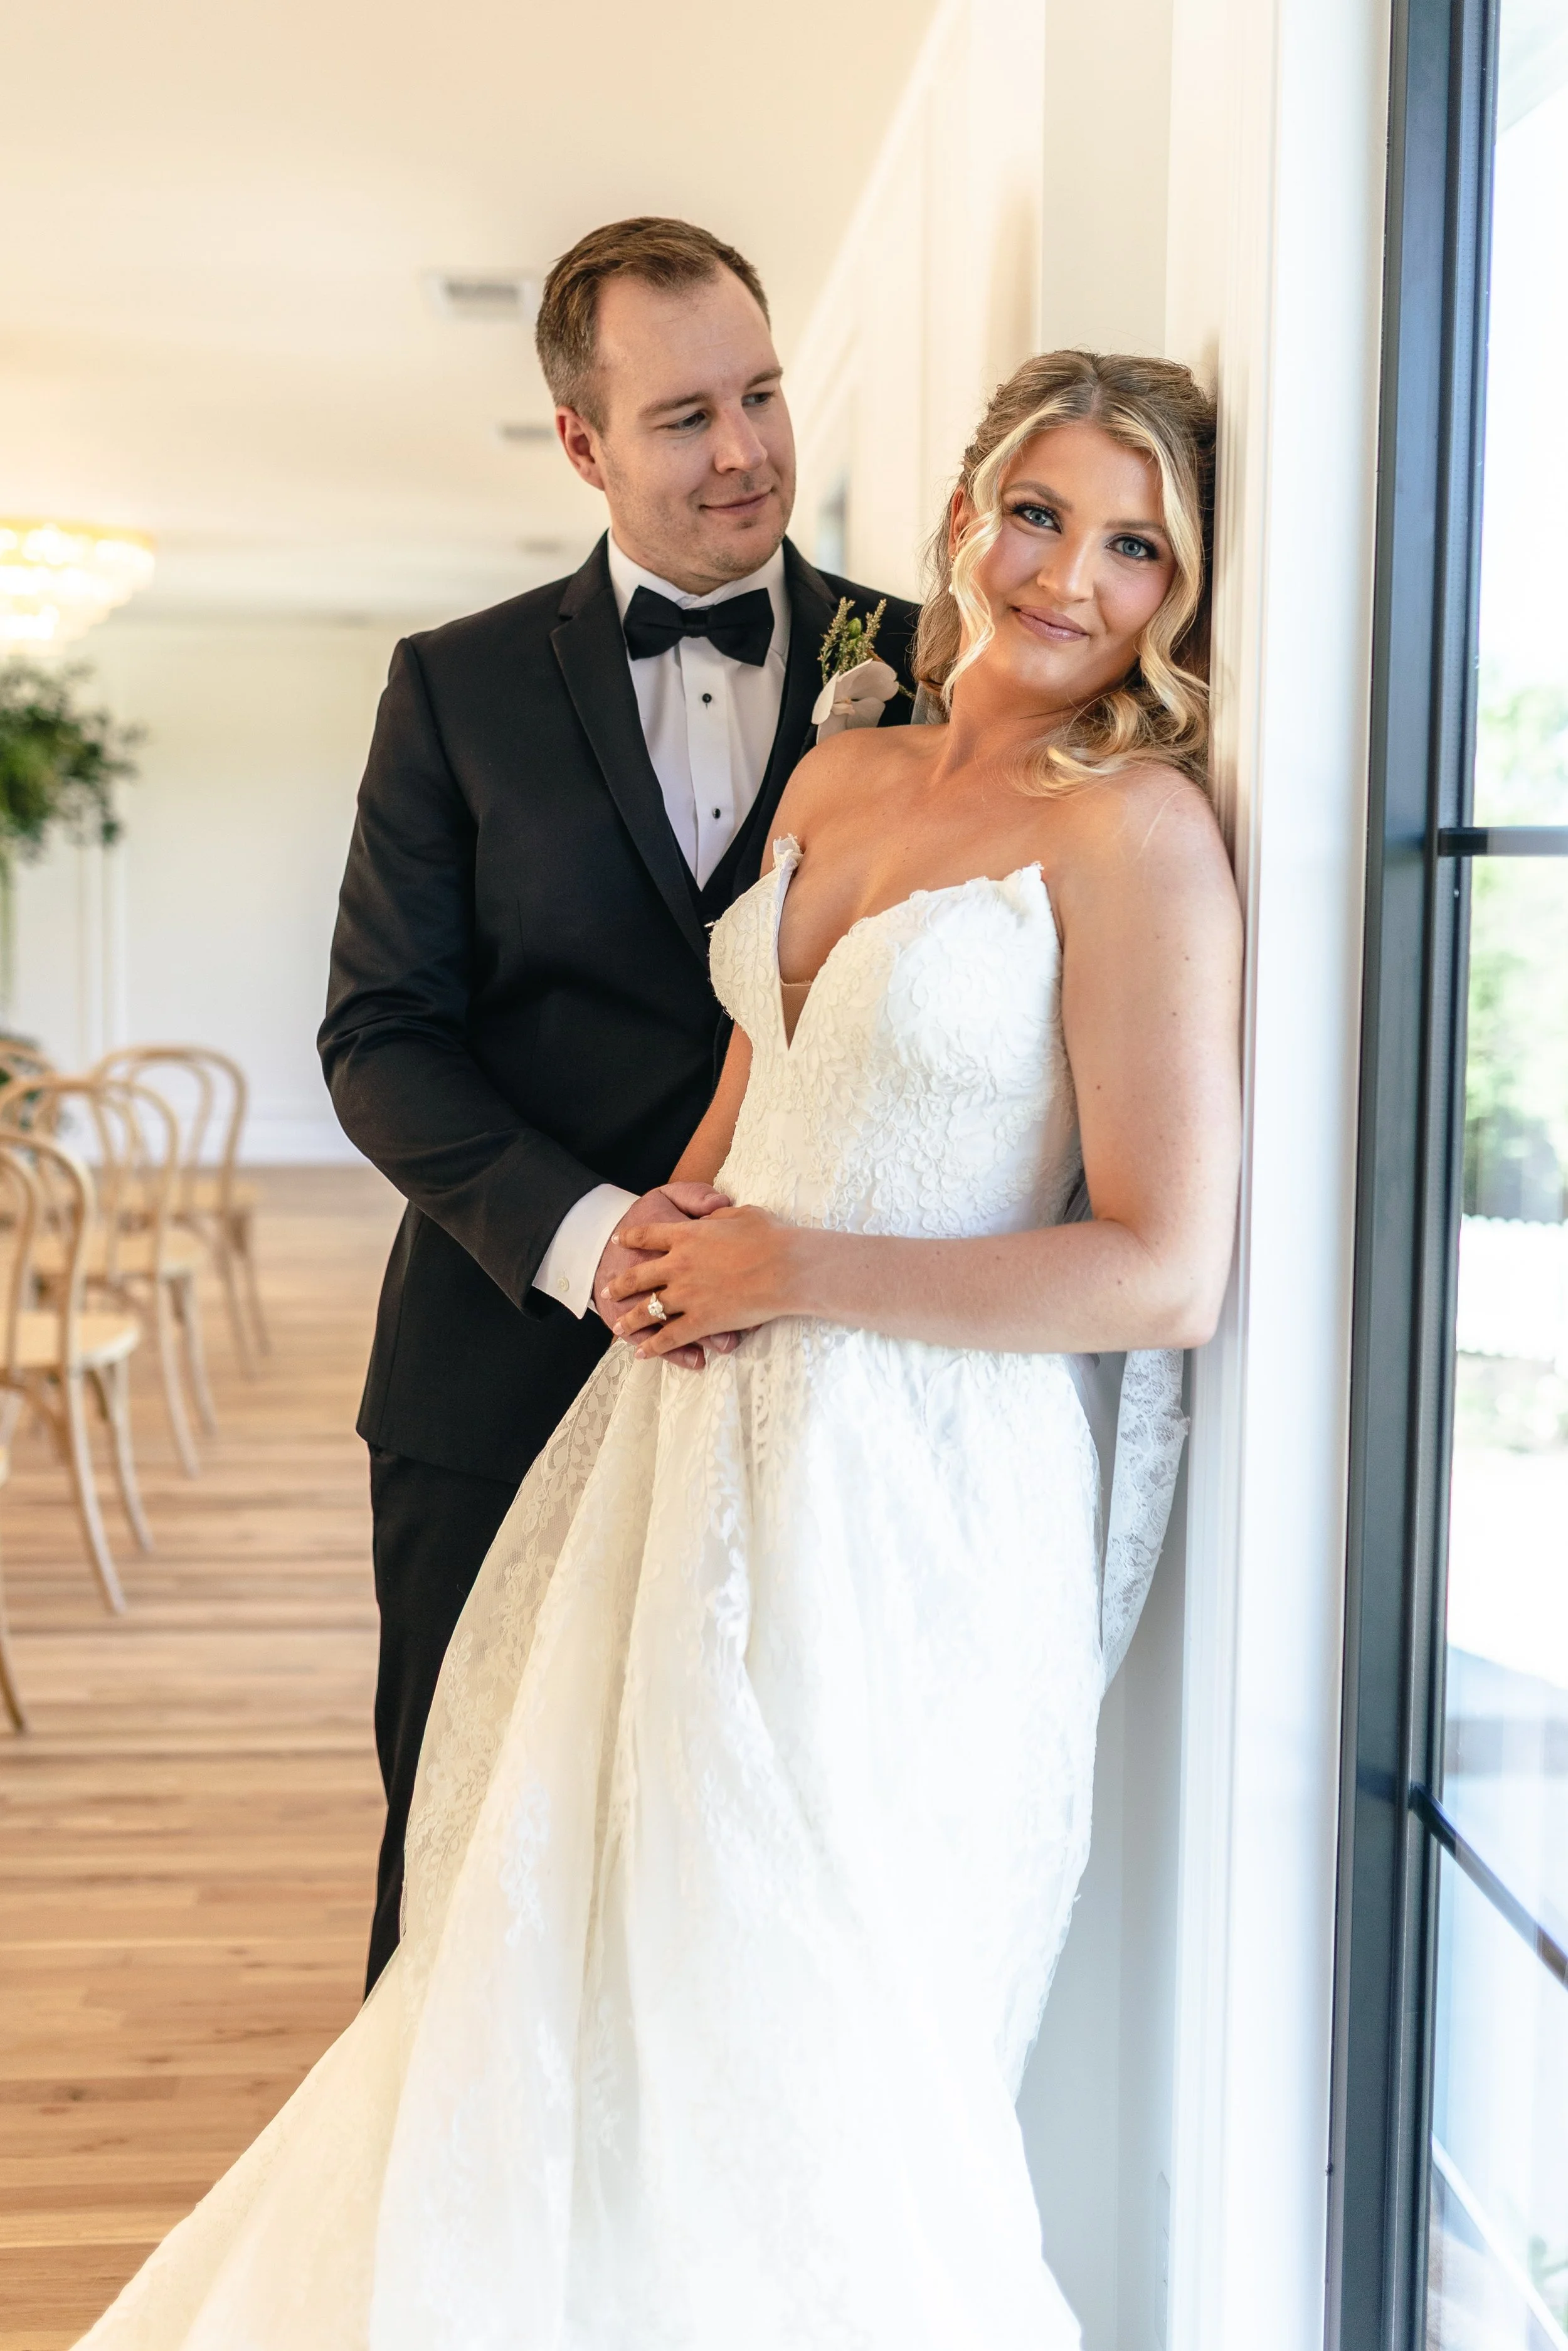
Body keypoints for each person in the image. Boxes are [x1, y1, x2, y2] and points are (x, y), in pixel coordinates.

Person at [75, 348, 1240, 2350]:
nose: (1070, 575)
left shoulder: (1129, 833)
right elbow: (754, 1083)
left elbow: (1156, 1271)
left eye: (1136, 547)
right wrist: (657, 1249)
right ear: (962, 515)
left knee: (812, 2008)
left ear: (1180, 595)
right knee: (573, 1956)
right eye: (1038, 512)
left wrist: (789, 1265)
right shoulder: (840, 771)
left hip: (914, 1499)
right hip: (685, 1436)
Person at [316, 216, 919, 1988]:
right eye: (680, 417)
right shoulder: (455, 688)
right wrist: (595, 1238)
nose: (741, 451)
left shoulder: (924, 656)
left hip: (796, 1389)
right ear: (580, 441)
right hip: (494, 1371)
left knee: (738, 1875)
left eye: (759, 394)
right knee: (461, 1854)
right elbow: (379, 1032)